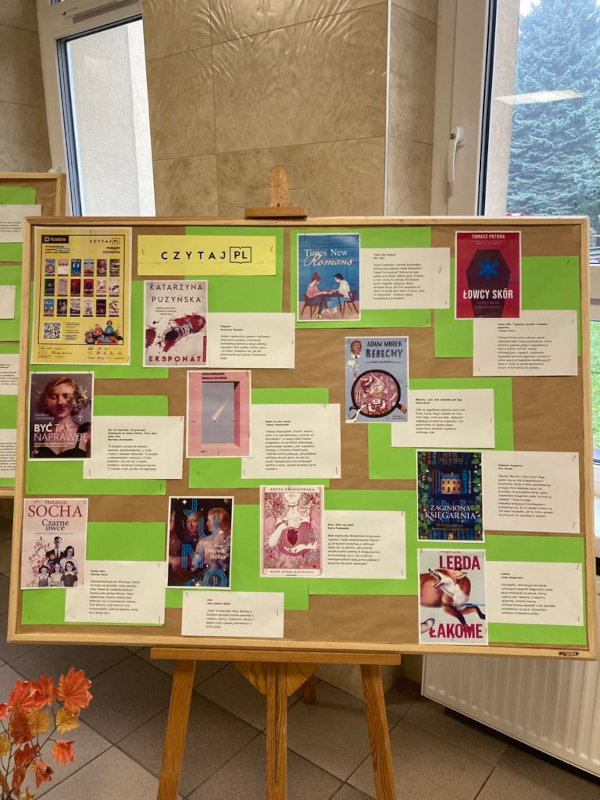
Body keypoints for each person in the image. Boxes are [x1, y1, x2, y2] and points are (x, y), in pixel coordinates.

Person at [32, 376, 91, 458]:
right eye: (54, 397)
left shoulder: (87, 433)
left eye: (66, 396)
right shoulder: (38, 434)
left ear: (76, 400)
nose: (60, 402)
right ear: (46, 401)